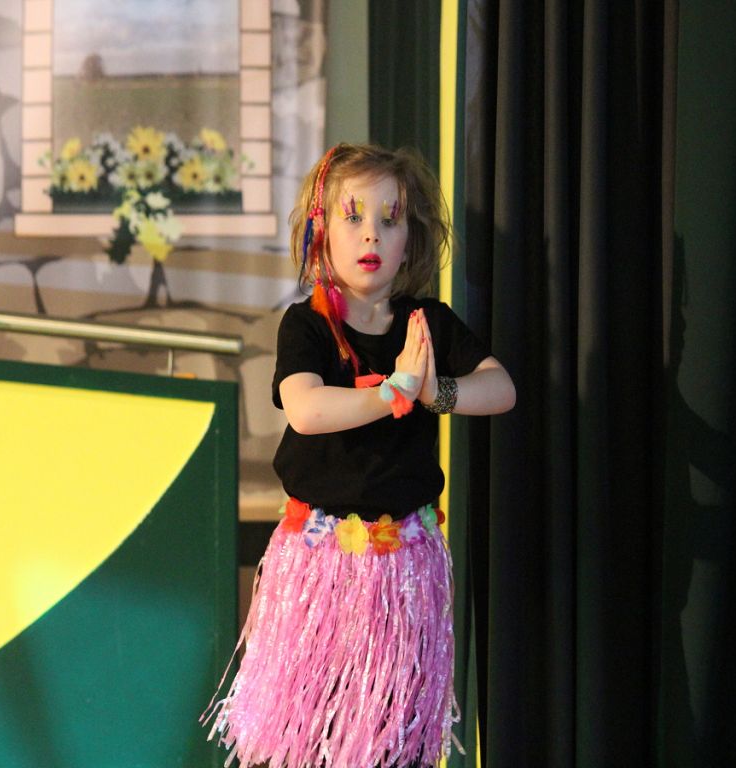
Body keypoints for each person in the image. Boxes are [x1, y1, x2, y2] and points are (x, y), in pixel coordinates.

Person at [203, 144, 516, 767]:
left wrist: (434, 391)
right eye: (353, 216)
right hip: (319, 569)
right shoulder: (308, 326)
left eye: (390, 219)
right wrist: (394, 391)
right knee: (308, 737)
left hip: (404, 573)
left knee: (390, 736)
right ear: (320, 232)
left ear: (410, 239)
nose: (372, 233)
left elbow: (501, 389)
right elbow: (306, 409)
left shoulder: (427, 323)